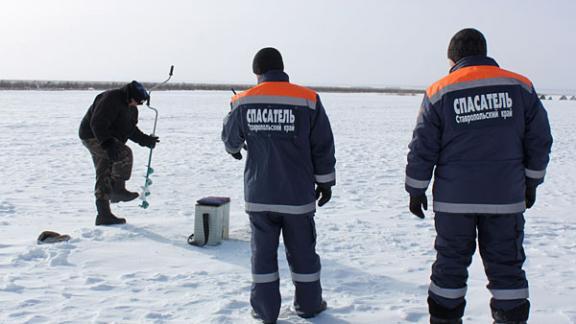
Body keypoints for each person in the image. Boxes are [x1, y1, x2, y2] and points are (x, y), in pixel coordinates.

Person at [405, 29, 552, 324]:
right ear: (484, 52)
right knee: (506, 267)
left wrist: (415, 188)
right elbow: (539, 139)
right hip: (505, 198)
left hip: (453, 202)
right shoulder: (520, 86)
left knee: (450, 265)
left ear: (453, 58)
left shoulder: (440, 90)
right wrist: (531, 182)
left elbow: (423, 145)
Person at [222, 47, 336, 323]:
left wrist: (235, 148)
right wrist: (325, 182)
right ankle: (309, 305)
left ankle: (265, 310)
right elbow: (322, 144)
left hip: (260, 194)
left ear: (256, 73)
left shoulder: (243, 101)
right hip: (297, 196)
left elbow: (230, 139)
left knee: (263, 256)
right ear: (282, 70)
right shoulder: (308, 99)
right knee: (303, 253)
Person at [79, 81, 159, 226]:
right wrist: (108, 144)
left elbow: (130, 129)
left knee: (104, 172)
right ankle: (118, 189)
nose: (137, 105)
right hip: (92, 135)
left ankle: (103, 215)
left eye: (140, 103)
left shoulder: (132, 108)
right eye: (137, 101)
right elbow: (97, 123)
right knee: (124, 153)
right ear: (130, 95)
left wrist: (145, 140)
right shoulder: (111, 99)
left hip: (107, 138)